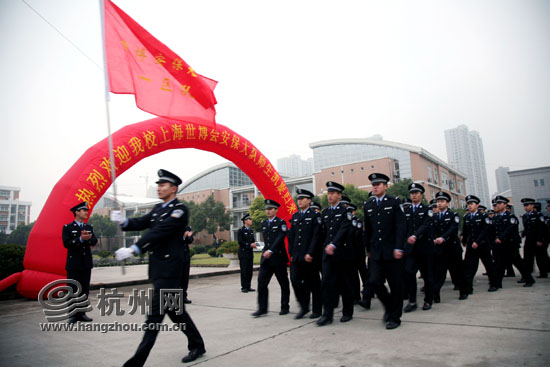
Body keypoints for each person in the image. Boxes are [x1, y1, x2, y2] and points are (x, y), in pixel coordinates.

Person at [112, 169, 205, 365]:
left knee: (154, 317)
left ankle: (136, 362)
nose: (159, 188)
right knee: (176, 312)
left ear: (173, 188)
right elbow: (142, 222)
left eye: (162, 185)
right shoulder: (157, 209)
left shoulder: (180, 210)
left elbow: (160, 231)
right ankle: (198, 344)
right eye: (158, 185)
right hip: (159, 269)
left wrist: (135, 248)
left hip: (170, 270)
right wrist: (124, 221)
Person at [363, 173, 406, 330]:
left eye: (379, 184)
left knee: (396, 286)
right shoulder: (368, 204)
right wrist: (367, 249)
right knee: (374, 281)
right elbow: (367, 230)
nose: (375, 186)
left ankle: (395, 317)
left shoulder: (394, 202)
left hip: (393, 252)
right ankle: (389, 306)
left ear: (386, 186)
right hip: (375, 252)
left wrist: (399, 247)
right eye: (373, 184)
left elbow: (401, 227)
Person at [316, 181, 355, 326]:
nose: (330, 196)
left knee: (344, 283)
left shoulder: (346, 212)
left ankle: (347, 311)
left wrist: (334, 244)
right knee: (326, 283)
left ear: (339, 195)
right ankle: (327, 314)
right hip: (328, 254)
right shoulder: (325, 213)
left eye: (333, 193)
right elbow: (323, 233)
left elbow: (344, 230)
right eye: (329, 193)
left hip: (342, 253)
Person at [252, 199, 290, 317]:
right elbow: (266, 240)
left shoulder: (281, 223)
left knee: (283, 283)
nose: (268, 211)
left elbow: (280, 238)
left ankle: (284, 306)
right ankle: (262, 308)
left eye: (270, 209)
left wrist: (271, 250)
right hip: (267, 259)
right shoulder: (263, 223)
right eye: (266, 209)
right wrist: (265, 249)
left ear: (275, 210)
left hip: (278, 257)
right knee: (261, 283)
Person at [287, 188, 322, 319]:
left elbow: (316, 236)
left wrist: (311, 253)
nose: (299, 201)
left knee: (313, 283)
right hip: (296, 255)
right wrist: (291, 252)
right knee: (295, 280)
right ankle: (304, 306)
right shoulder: (295, 216)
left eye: (302, 199)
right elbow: (292, 236)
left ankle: (317, 310)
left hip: (309, 256)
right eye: (298, 199)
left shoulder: (315, 216)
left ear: (309, 200)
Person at [62, 201, 97, 323]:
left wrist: (87, 239)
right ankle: (72, 315)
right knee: (72, 289)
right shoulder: (68, 228)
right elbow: (66, 243)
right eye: (84, 210)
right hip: (74, 264)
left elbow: (94, 241)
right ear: (77, 212)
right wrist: (80, 239)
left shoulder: (88, 227)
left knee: (84, 289)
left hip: (86, 263)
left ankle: (82, 313)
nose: (86, 212)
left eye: (86, 210)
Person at [431, 191, 469, 302]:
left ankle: (463, 291)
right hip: (440, 250)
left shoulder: (453, 215)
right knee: (439, 274)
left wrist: (442, 238)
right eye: (438, 201)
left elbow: (453, 229)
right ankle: (435, 295)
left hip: (452, 249)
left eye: (442, 201)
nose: (439, 203)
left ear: (447, 203)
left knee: (457, 272)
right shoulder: (435, 217)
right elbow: (432, 230)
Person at [402, 183, 434, 313]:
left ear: (421, 195)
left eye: (416, 193)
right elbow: (404, 227)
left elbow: (425, 225)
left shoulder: (427, 210)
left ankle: (428, 300)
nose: (414, 195)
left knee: (427, 275)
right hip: (411, 249)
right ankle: (412, 301)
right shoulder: (407, 211)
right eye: (412, 193)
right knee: (409, 273)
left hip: (424, 248)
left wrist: (415, 235)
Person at [492, 196, 535, 287]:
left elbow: (509, 229)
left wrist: (500, 237)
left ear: (505, 205)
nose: (498, 205)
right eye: (497, 204)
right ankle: (497, 283)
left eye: (500, 203)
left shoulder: (511, 217)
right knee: (499, 264)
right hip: (500, 245)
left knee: (518, 263)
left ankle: (529, 279)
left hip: (510, 244)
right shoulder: (496, 217)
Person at [462, 195, 498, 294]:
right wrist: (464, 240)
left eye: (471, 204)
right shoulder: (467, 217)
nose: (469, 206)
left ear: (477, 205)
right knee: (470, 267)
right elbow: (466, 231)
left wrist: (477, 242)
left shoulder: (483, 216)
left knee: (489, 265)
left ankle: (494, 284)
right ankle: (468, 287)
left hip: (482, 245)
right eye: (468, 204)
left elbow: (485, 230)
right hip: (471, 246)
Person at [521, 198, 548, 279]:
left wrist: (540, 240)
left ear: (532, 205)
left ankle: (543, 273)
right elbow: (526, 228)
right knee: (527, 258)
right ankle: (528, 274)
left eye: (527, 205)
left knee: (540, 258)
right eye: (524, 206)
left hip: (537, 240)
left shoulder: (538, 215)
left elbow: (542, 228)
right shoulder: (525, 216)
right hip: (529, 240)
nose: (525, 207)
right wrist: (523, 234)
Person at [237, 213, 256, 293]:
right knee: (244, 270)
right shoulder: (241, 231)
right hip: (243, 253)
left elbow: (253, 241)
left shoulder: (251, 231)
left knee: (250, 270)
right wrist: (249, 245)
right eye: (249, 219)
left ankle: (248, 286)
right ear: (245, 221)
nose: (251, 221)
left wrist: (256, 244)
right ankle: (244, 287)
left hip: (250, 253)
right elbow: (240, 242)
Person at [182, 225, 193, 303]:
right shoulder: (174, 226)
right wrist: (183, 236)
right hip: (176, 256)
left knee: (185, 278)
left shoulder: (187, 228)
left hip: (186, 255)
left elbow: (190, 240)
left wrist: (188, 236)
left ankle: (183, 296)